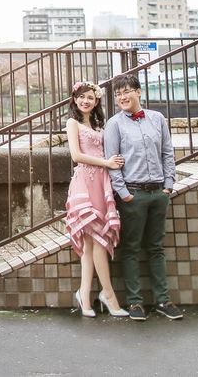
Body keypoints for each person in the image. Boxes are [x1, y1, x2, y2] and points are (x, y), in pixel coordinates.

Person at [104, 73, 182, 321]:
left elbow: (167, 152)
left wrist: (168, 184)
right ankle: (135, 302)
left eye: (126, 91)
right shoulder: (114, 124)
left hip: (159, 193)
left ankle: (163, 300)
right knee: (131, 248)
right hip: (133, 195)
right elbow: (112, 161)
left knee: (157, 248)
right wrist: (124, 194)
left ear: (138, 92)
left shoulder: (157, 119)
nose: (122, 97)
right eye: (118, 94)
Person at [65, 80, 127, 318]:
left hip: (101, 183)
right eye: (81, 97)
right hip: (85, 182)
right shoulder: (72, 123)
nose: (85, 101)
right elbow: (76, 155)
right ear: (75, 99)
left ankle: (84, 294)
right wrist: (107, 163)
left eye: (90, 97)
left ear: (97, 100)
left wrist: (111, 165)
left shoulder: (100, 125)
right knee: (98, 240)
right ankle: (108, 295)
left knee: (92, 245)